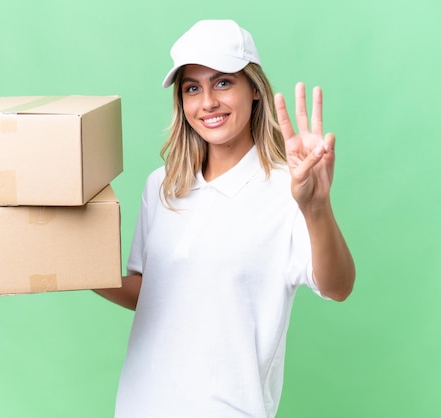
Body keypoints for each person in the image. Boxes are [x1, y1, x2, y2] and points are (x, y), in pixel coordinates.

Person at [95, 19, 355, 418]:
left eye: (222, 82)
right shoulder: (161, 185)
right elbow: (154, 294)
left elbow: (338, 286)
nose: (207, 102)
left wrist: (316, 207)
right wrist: (73, 267)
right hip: (140, 405)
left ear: (254, 88)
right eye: (192, 88)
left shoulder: (288, 188)